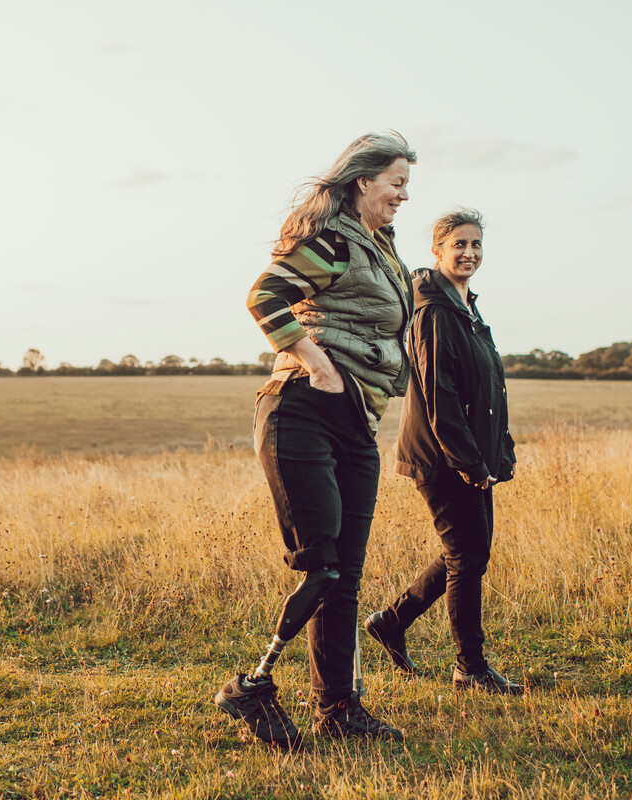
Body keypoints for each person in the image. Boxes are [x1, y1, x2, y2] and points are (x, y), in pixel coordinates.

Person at [212, 131, 415, 749]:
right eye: (397, 183)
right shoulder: (332, 244)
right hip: (301, 411)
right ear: (363, 182)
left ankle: (341, 710)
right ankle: (248, 688)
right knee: (322, 566)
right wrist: (316, 364)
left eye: (408, 185)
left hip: (357, 422)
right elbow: (264, 295)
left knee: (346, 575)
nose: (404, 196)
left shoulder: (381, 249)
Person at [364, 208, 523, 695]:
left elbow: (490, 387)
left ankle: (392, 622)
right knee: (467, 554)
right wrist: (469, 463)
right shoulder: (433, 311)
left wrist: (501, 451)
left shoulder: (466, 306)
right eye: (459, 245)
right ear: (438, 251)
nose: (469, 253)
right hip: (441, 457)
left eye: (476, 245)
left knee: (468, 553)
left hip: (470, 454)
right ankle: (469, 667)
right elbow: (440, 395)